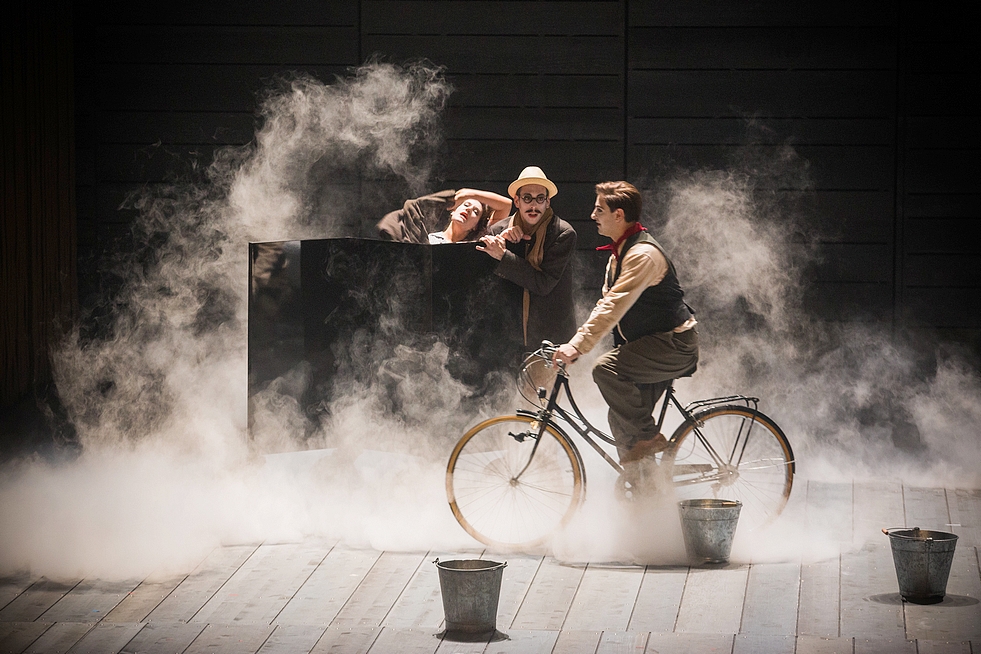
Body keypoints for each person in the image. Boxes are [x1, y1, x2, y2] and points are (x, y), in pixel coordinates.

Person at [552, 181, 698, 468]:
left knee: (605, 369)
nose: (593, 216)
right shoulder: (619, 254)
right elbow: (604, 308)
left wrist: (577, 347)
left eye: (599, 210)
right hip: (651, 345)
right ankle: (646, 492)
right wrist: (575, 342)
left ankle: (648, 437)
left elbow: (613, 307)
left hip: (674, 345)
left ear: (618, 215)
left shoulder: (642, 255)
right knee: (619, 417)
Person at [477, 166, 578, 350]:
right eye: (527, 198)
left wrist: (503, 255)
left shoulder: (562, 233)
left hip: (550, 338)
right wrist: (503, 242)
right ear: (517, 201)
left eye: (540, 199)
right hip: (507, 336)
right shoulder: (498, 231)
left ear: (547, 202)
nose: (533, 206)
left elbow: (543, 284)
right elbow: (486, 283)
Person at [376, 188, 511, 244]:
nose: (469, 209)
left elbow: (506, 205)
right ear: (453, 210)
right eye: (466, 204)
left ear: (476, 226)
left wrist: (468, 194)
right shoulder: (430, 239)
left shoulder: (473, 244)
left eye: (476, 211)